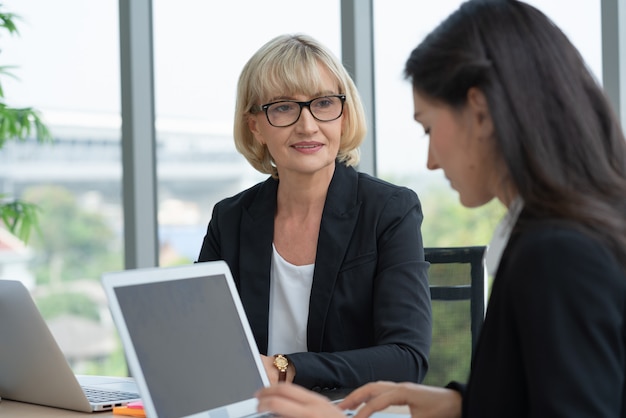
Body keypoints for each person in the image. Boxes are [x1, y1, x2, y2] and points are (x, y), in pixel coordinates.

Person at [254, 1, 626, 417]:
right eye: (283, 108)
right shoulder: (562, 234)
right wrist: (462, 405)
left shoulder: (557, 254)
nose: (430, 160)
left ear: (480, 113)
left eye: (428, 127)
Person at [196, 33, 432, 391]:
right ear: (255, 126)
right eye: (284, 107)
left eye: (323, 103)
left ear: (344, 114)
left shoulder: (389, 211)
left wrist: (285, 369)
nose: (307, 125)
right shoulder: (230, 219)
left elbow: (407, 359)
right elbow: (203, 341)